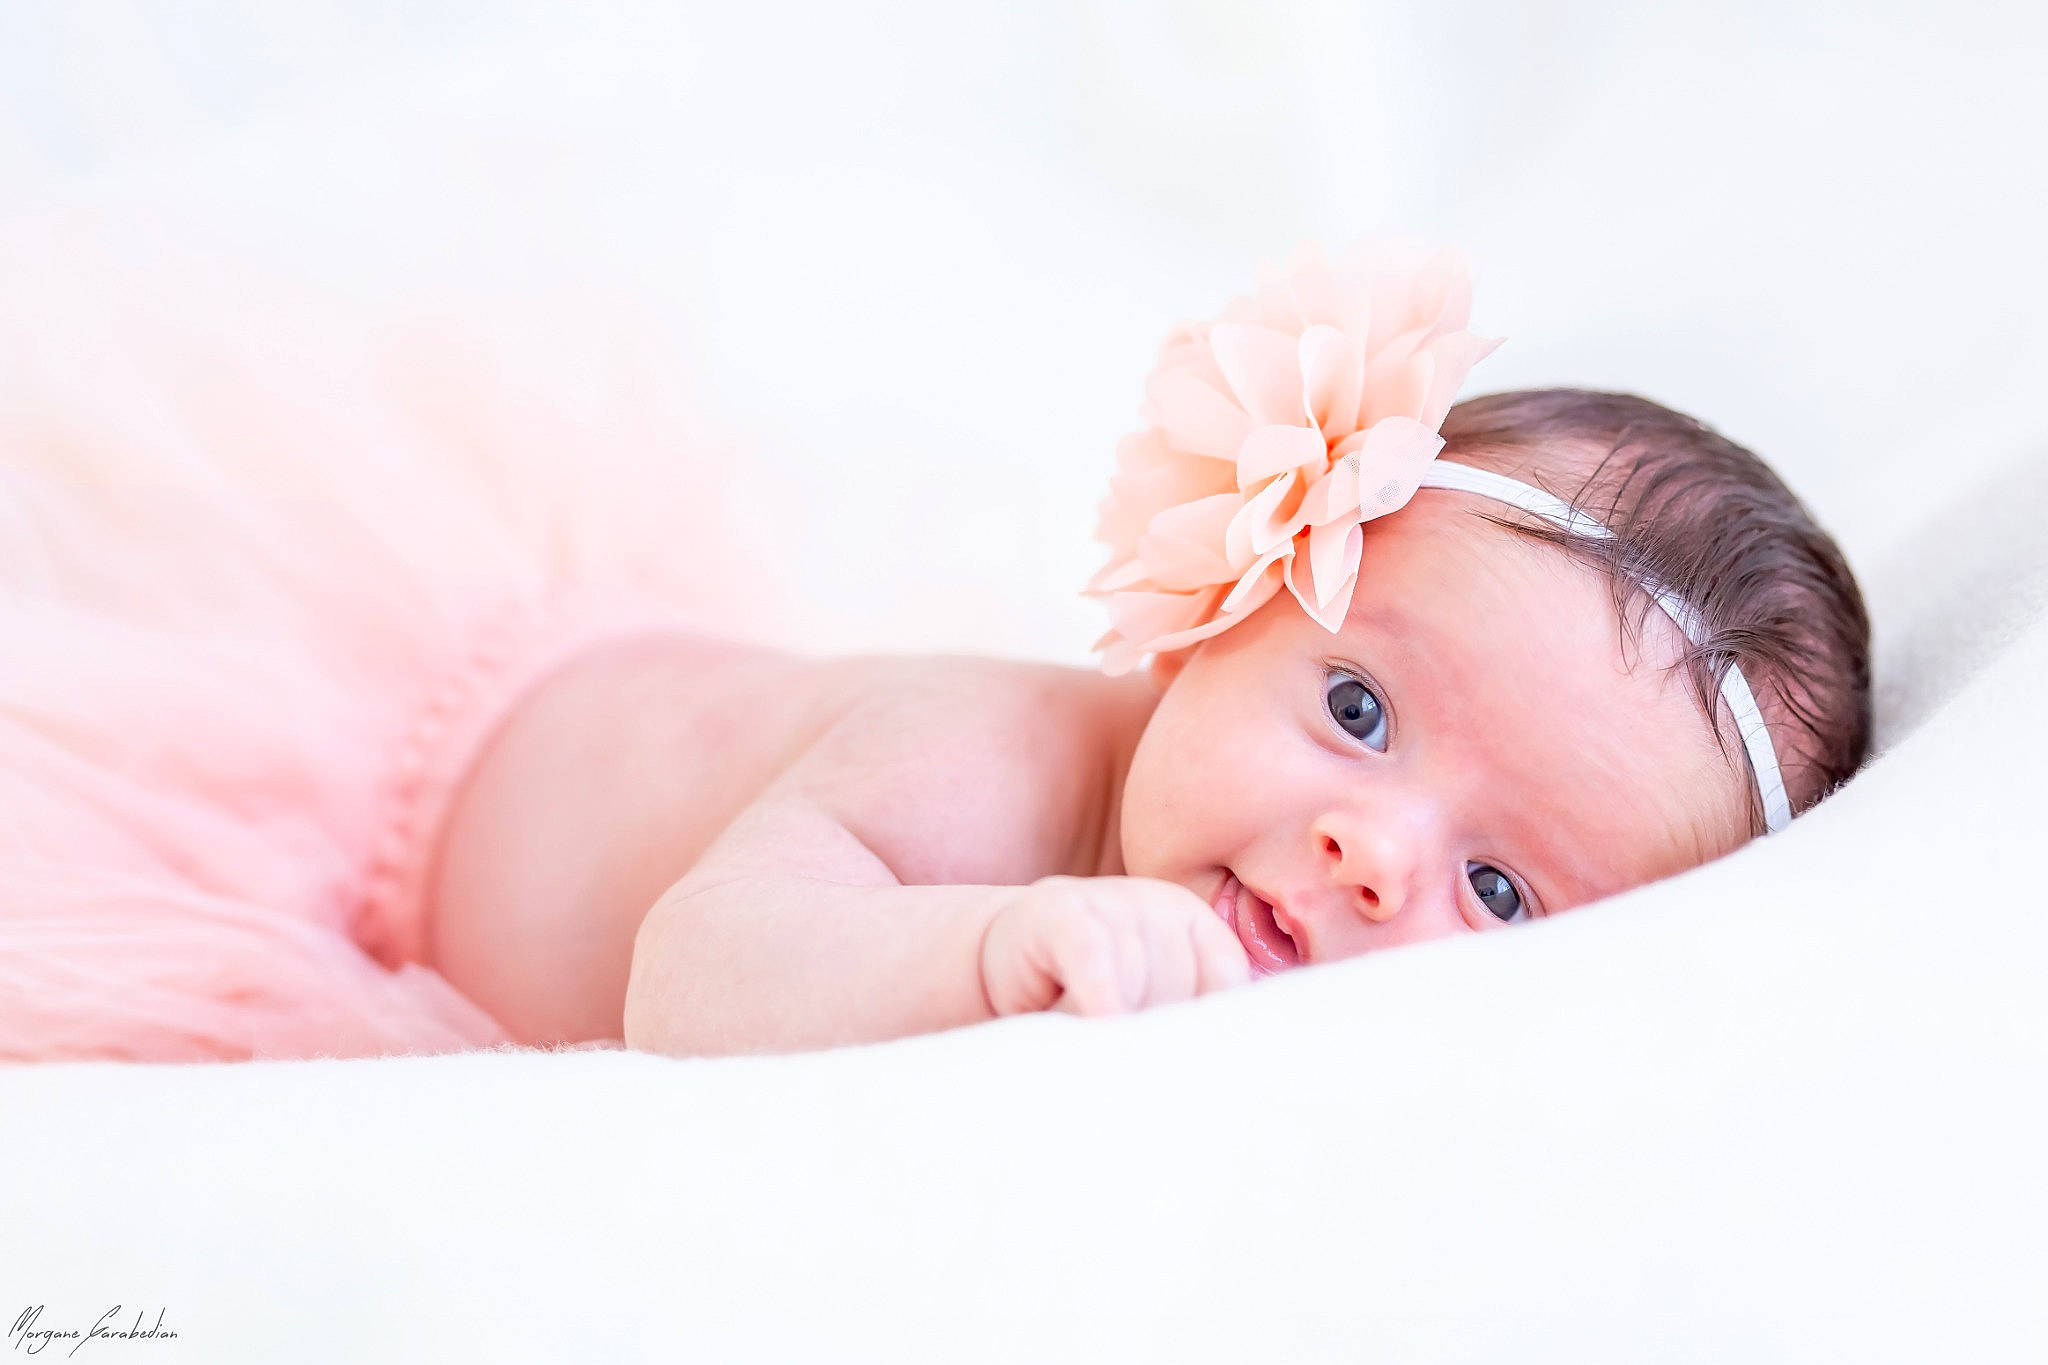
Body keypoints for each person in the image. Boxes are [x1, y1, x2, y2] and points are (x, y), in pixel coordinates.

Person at [0, 234, 1869, 1063]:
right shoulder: (976, 766)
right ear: (1232, 590)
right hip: (395, 795)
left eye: (1501, 886)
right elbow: (691, 975)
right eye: (1361, 706)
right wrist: (983, 947)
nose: (1370, 855)